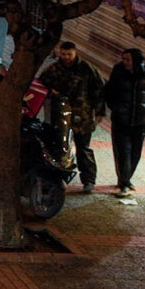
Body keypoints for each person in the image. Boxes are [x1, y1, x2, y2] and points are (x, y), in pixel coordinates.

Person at [35, 40, 107, 193]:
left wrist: (100, 112)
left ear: (75, 52)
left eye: (69, 54)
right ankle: (60, 177)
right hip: (59, 115)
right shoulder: (54, 68)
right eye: (63, 54)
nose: (66, 57)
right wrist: (51, 92)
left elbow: (99, 90)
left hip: (83, 115)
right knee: (59, 147)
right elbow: (41, 84)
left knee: (83, 148)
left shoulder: (87, 69)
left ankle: (88, 180)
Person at [103, 47, 145, 199]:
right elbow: (108, 91)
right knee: (123, 152)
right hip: (121, 120)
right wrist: (115, 108)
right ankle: (124, 183)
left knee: (135, 152)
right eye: (123, 59)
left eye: (128, 59)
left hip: (140, 121)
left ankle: (126, 179)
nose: (125, 62)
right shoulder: (118, 71)